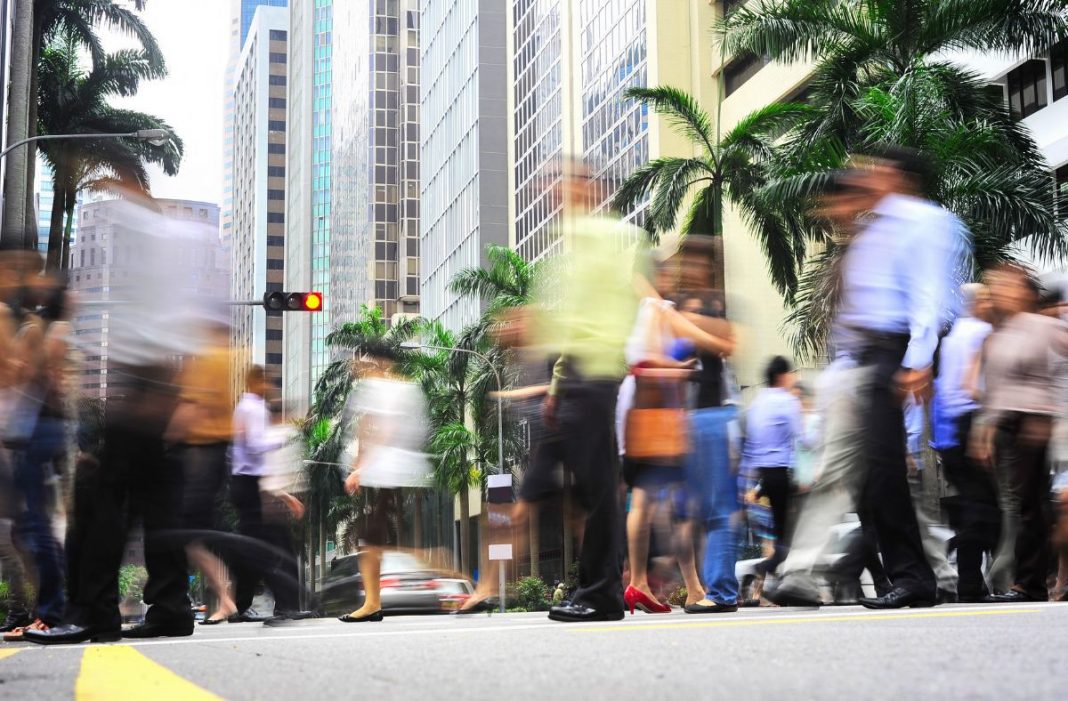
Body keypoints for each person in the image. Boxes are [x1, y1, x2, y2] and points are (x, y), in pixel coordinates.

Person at [768, 151, 967, 609]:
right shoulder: (875, 228)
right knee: (879, 474)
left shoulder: (924, 222)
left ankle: (917, 577)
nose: (866, 175)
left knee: (883, 472)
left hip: (891, 354)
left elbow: (928, 295)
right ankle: (918, 576)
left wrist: (917, 361)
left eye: (875, 169)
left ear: (897, 175)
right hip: (863, 362)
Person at [27, 195, 209, 645]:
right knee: (156, 510)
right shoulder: (176, 245)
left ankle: (95, 613)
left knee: (102, 506)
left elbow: (164, 327)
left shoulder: (154, 244)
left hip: (144, 391)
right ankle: (170, 607)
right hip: (152, 390)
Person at [518, 159, 641, 624]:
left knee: (600, 491)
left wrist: (581, 373)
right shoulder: (576, 243)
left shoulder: (606, 239)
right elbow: (570, 323)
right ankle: (597, 589)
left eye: (566, 183)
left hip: (594, 373)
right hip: (577, 376)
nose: (555, 192)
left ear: (592, 189)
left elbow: (608, 316)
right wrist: (556, 385)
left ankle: (601, 593)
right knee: (594, 490)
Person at [618, 255, 733, 614]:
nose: (672, 276)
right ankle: (649, 583)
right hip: (653, 407)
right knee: (664, 501)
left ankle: (673, 584)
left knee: (664, 502)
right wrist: (683, 368)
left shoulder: (651, 308)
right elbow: (651, 360)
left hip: (650, 406)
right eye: (665, 272)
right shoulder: (657, 308)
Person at [970, 264, 1068, 602]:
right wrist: (984, 431)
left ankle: (1028, 584)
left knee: (1032, 507)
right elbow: (994, 390)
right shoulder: (997, 335)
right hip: (1007, 427)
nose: (999, 291)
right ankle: (1031, 582)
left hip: (1037, 423)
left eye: (1006, 285)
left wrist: (1054, 414)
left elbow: (1062, 373)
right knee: (1024, 506)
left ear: (1026, 292)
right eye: (994, 285)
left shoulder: (1045, 327)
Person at [339, 348, 432, 623]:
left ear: (378, 362)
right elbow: (367, 426)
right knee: (371, 537)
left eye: (362, 361)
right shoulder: (387, 388)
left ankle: (373, 603)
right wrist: (359, 463)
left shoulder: (388, 389)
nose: (356, 366)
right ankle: (372, 603)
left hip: (391, 467)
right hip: (389, 468)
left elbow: (386, 431)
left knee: (370, 538)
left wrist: (361, 469)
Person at [167, 317, 238, 625]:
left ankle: (225, 598)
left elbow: (192, 408)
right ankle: (225, 598)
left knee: (189, 537)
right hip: (213, 455)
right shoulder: (227, 359)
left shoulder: (208, 360)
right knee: (192, 537)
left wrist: (167, 437)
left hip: (200, 456)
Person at [931, 283, 998, 603]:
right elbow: (977, 388)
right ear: (976, 303)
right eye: (985, 298)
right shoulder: (983, 332)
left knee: (976, 506)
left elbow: (942, 389)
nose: (989, 303)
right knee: (986, 510)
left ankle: (971, 582)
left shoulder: (951, 338)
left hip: (950, 432)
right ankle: (966, 570)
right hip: (974, 423)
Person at [229, 365, 308, 625]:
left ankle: (246, 605)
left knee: (257, 548)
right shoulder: (253, 408)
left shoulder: (248, 407)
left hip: (248, 484)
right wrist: (281, 440)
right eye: (267, 382)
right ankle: (285, 605)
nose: (270, 387)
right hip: (251, 484)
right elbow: (254, 446)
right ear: (256, 382)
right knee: (271, 548)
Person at [739, 356, 802, 580]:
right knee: (786, 537)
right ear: (781, 376)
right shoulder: (787, 401)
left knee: (778, 533)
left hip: (763, 477)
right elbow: (803, 437)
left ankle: (773, 575)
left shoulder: (757, 403)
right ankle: (766, 567)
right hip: (782, 474)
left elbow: (750, 446)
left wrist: (746, 483)